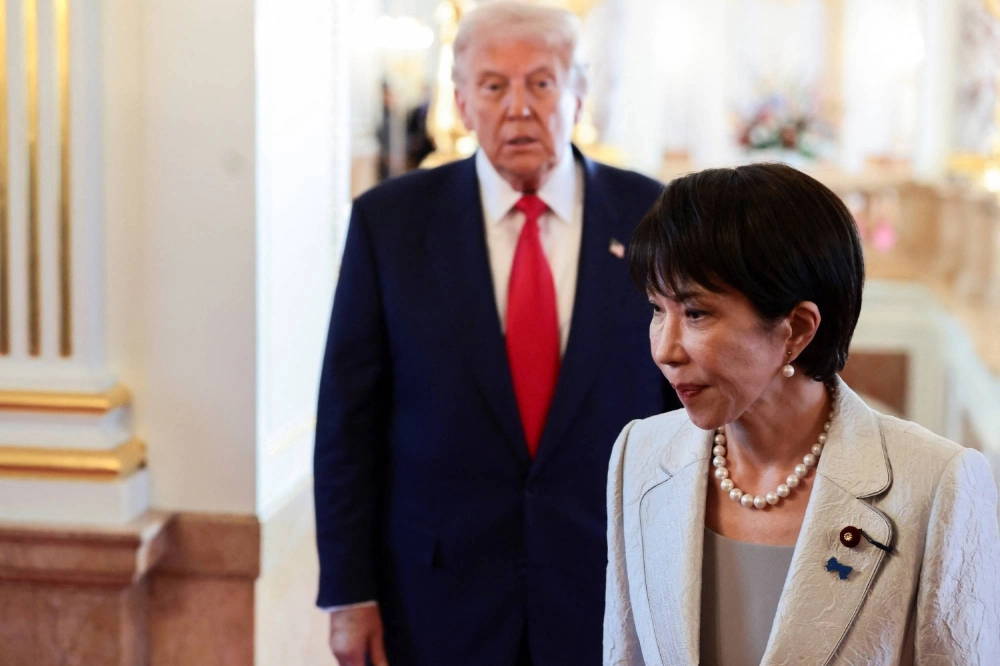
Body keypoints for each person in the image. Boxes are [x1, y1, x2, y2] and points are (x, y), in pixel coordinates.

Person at [314, 3, 680, 666]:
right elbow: (348, 423)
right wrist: (348, 594)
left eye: (541, 82)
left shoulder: (653, 214)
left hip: (609, 590)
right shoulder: (389, 223)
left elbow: (686, 411)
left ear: (578, 94)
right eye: (493, 85)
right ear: (460, 101)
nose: (518, 106)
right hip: (435, 595)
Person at [604, 163, 1000, 665]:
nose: (665, 348)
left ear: (796, 328)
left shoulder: (936, 485)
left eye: (696, 313)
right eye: (657, 310)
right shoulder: (639, 455)